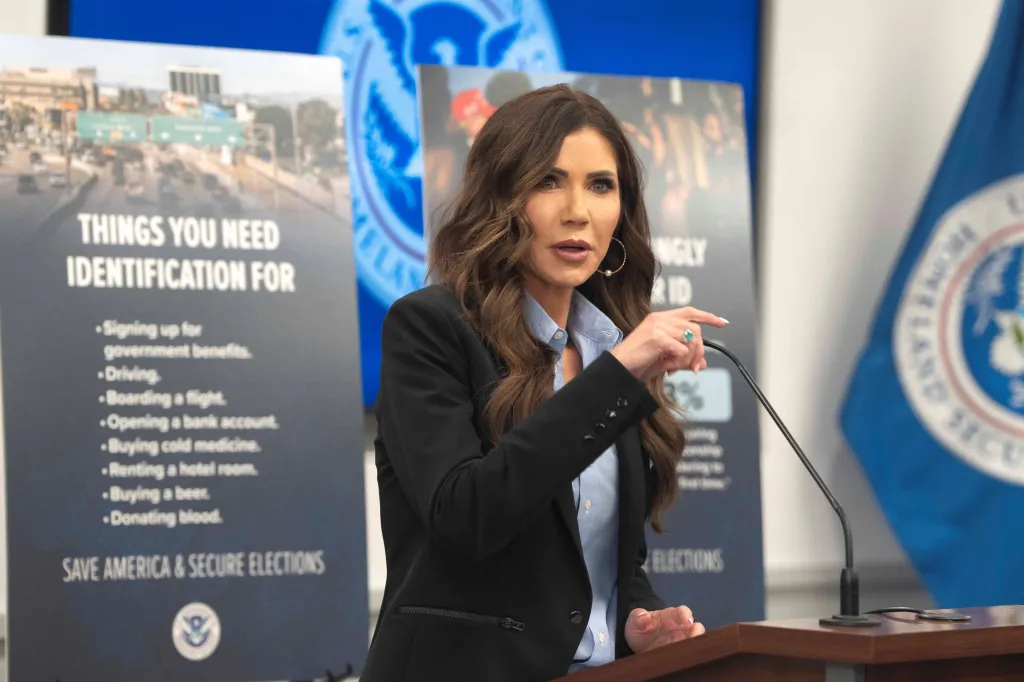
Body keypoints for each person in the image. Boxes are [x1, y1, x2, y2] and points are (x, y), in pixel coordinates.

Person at [363, 84, 725, 682]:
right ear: (503, 196)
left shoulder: (609, 348)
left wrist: (638, 620)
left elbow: (608, 560)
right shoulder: (430, 328)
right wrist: (616, 375)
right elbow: (465, 518)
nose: (577, 210)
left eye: (601, 185)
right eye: (549, 181)